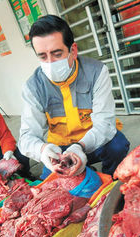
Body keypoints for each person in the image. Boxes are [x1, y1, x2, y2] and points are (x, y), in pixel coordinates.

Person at [19, 14, 130, 179]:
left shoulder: (97, 72)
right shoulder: (33, 87)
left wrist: (80, 147)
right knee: (49, 186)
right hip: (59, 148)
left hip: (92, 141)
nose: (50, 63)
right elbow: (27, 137)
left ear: (73, 50)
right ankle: (82, 169)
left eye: (57, 54)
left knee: (118, 145)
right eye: (43, 56)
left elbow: (105, 124)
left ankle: (110, 181)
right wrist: (43, 151)